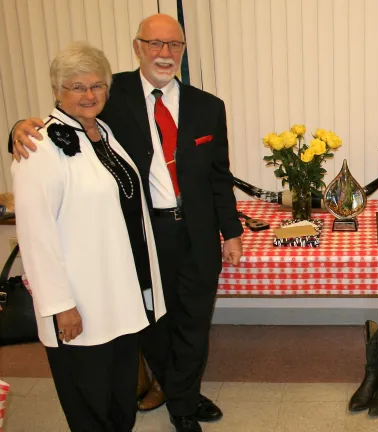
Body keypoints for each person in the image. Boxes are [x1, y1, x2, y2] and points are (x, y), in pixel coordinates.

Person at [11, 14, 243, 432]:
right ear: (137, 47)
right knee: (153, 325)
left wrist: (233, 232)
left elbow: (218, 176)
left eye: (174, 45)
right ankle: (176, 392)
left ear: (183, 50)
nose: (164, 53)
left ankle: (183, 399)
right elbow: (60, 121)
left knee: (193, 323)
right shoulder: (109, 97)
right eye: (154, 44)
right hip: (142, 238)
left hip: (196, 233)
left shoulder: (208, 107)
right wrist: (17, 128)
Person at [12, 41, 166, 431]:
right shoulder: (41, 145)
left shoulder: (104, 132)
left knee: (119, 399)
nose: (89, 95)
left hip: (120, 295)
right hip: (79, 304)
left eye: (97, 85)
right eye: (77, 87)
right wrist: (61, 304)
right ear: (57, 90)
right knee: (90, 403)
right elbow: (35, 235)